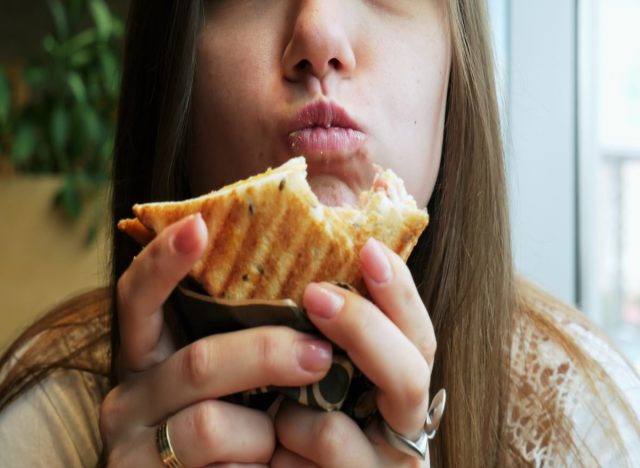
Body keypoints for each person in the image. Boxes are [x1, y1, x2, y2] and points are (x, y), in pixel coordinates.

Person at [0, 1, 639, 466]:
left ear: (456, 56)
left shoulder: (588, 427)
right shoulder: (41, 426)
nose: (318, 32)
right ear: (174, 71)